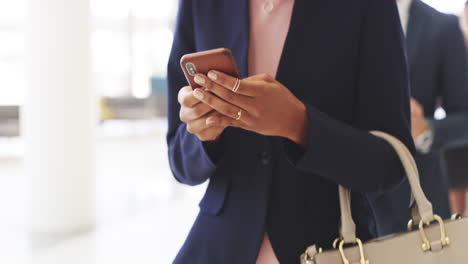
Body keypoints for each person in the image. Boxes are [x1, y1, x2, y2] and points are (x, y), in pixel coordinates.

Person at [166, 0, 414, 263]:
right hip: (219, 245)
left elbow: (390, 163)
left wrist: (299, 124)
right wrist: (204, 134)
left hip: (331, 244)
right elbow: (180, 163)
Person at [371, 0, 468, 236]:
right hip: (350, 195)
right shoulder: (338, 16)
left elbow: (464, 117)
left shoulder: (442, 26)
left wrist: (425, 130)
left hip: (420, 196)